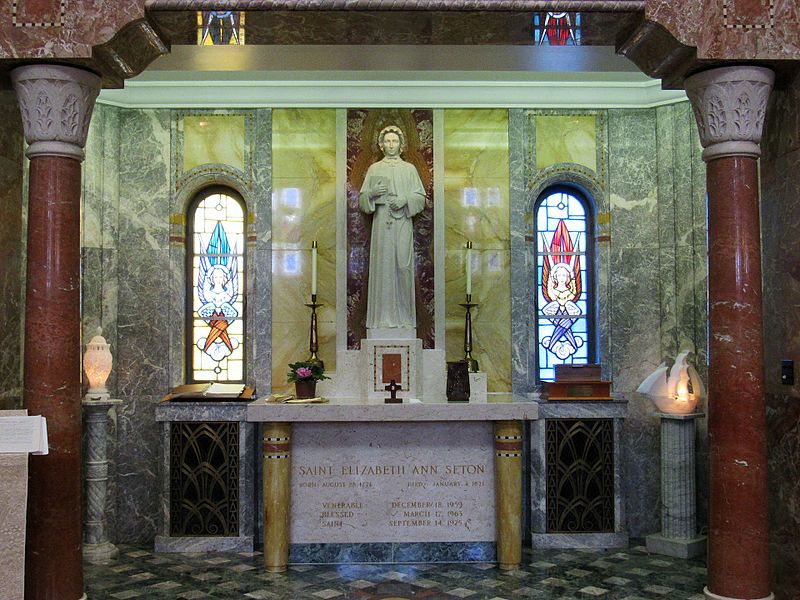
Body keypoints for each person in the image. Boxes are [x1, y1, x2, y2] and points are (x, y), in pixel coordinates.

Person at [359, 125, 426, 330]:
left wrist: (405, 199)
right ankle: (382, 320)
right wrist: (371, 193)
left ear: (401, 145)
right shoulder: (375, 169)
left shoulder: (409, 169)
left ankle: (405, 319)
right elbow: (362, 200)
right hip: (381, 226)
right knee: (383, 268)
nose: (391, 145)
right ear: (381, 145)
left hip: (402, 223)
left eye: (394, 141)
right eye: (387, 141)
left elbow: (420, 197)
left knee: (403, 267)